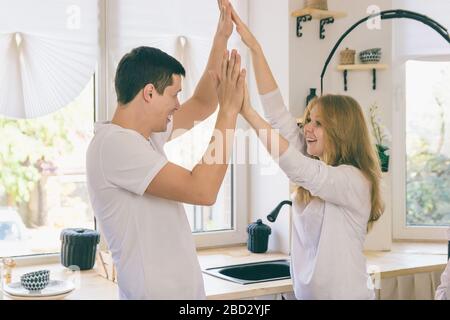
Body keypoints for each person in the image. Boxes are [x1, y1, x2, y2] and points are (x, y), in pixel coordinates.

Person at [86, 1, 246, 299]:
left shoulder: (143, 139)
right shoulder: (114, 145)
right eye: (173, 95)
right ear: (149, 93)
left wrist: (221, 36)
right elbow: (203, 190)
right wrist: (230, 111)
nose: (177, 105)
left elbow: (201, 103)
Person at [230, 6, 384, 299]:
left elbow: (297, 168)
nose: (307, 128)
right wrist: (255, 47)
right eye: (308, 119)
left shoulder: (353, 180)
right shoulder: (314, 162)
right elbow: (277, 114)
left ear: (341, 131)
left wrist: (246, 111)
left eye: (318, 123)